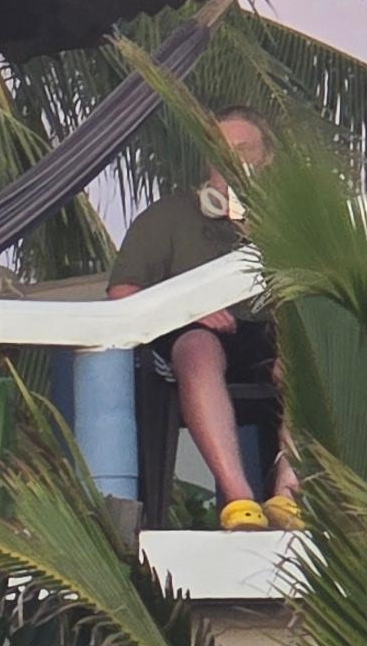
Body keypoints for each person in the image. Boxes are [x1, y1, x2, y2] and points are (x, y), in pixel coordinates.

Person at [107, 106, 296, 529]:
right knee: (197, 347)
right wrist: (189, 309)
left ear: (267, 160)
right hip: (192, 337)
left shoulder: (290, 224)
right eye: (219, 150)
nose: (230, 160)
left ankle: (287, 494)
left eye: (244, 150)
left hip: (270, 337)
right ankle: (240, 499)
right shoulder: (170, 216)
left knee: (312, 350)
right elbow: (122, 293)